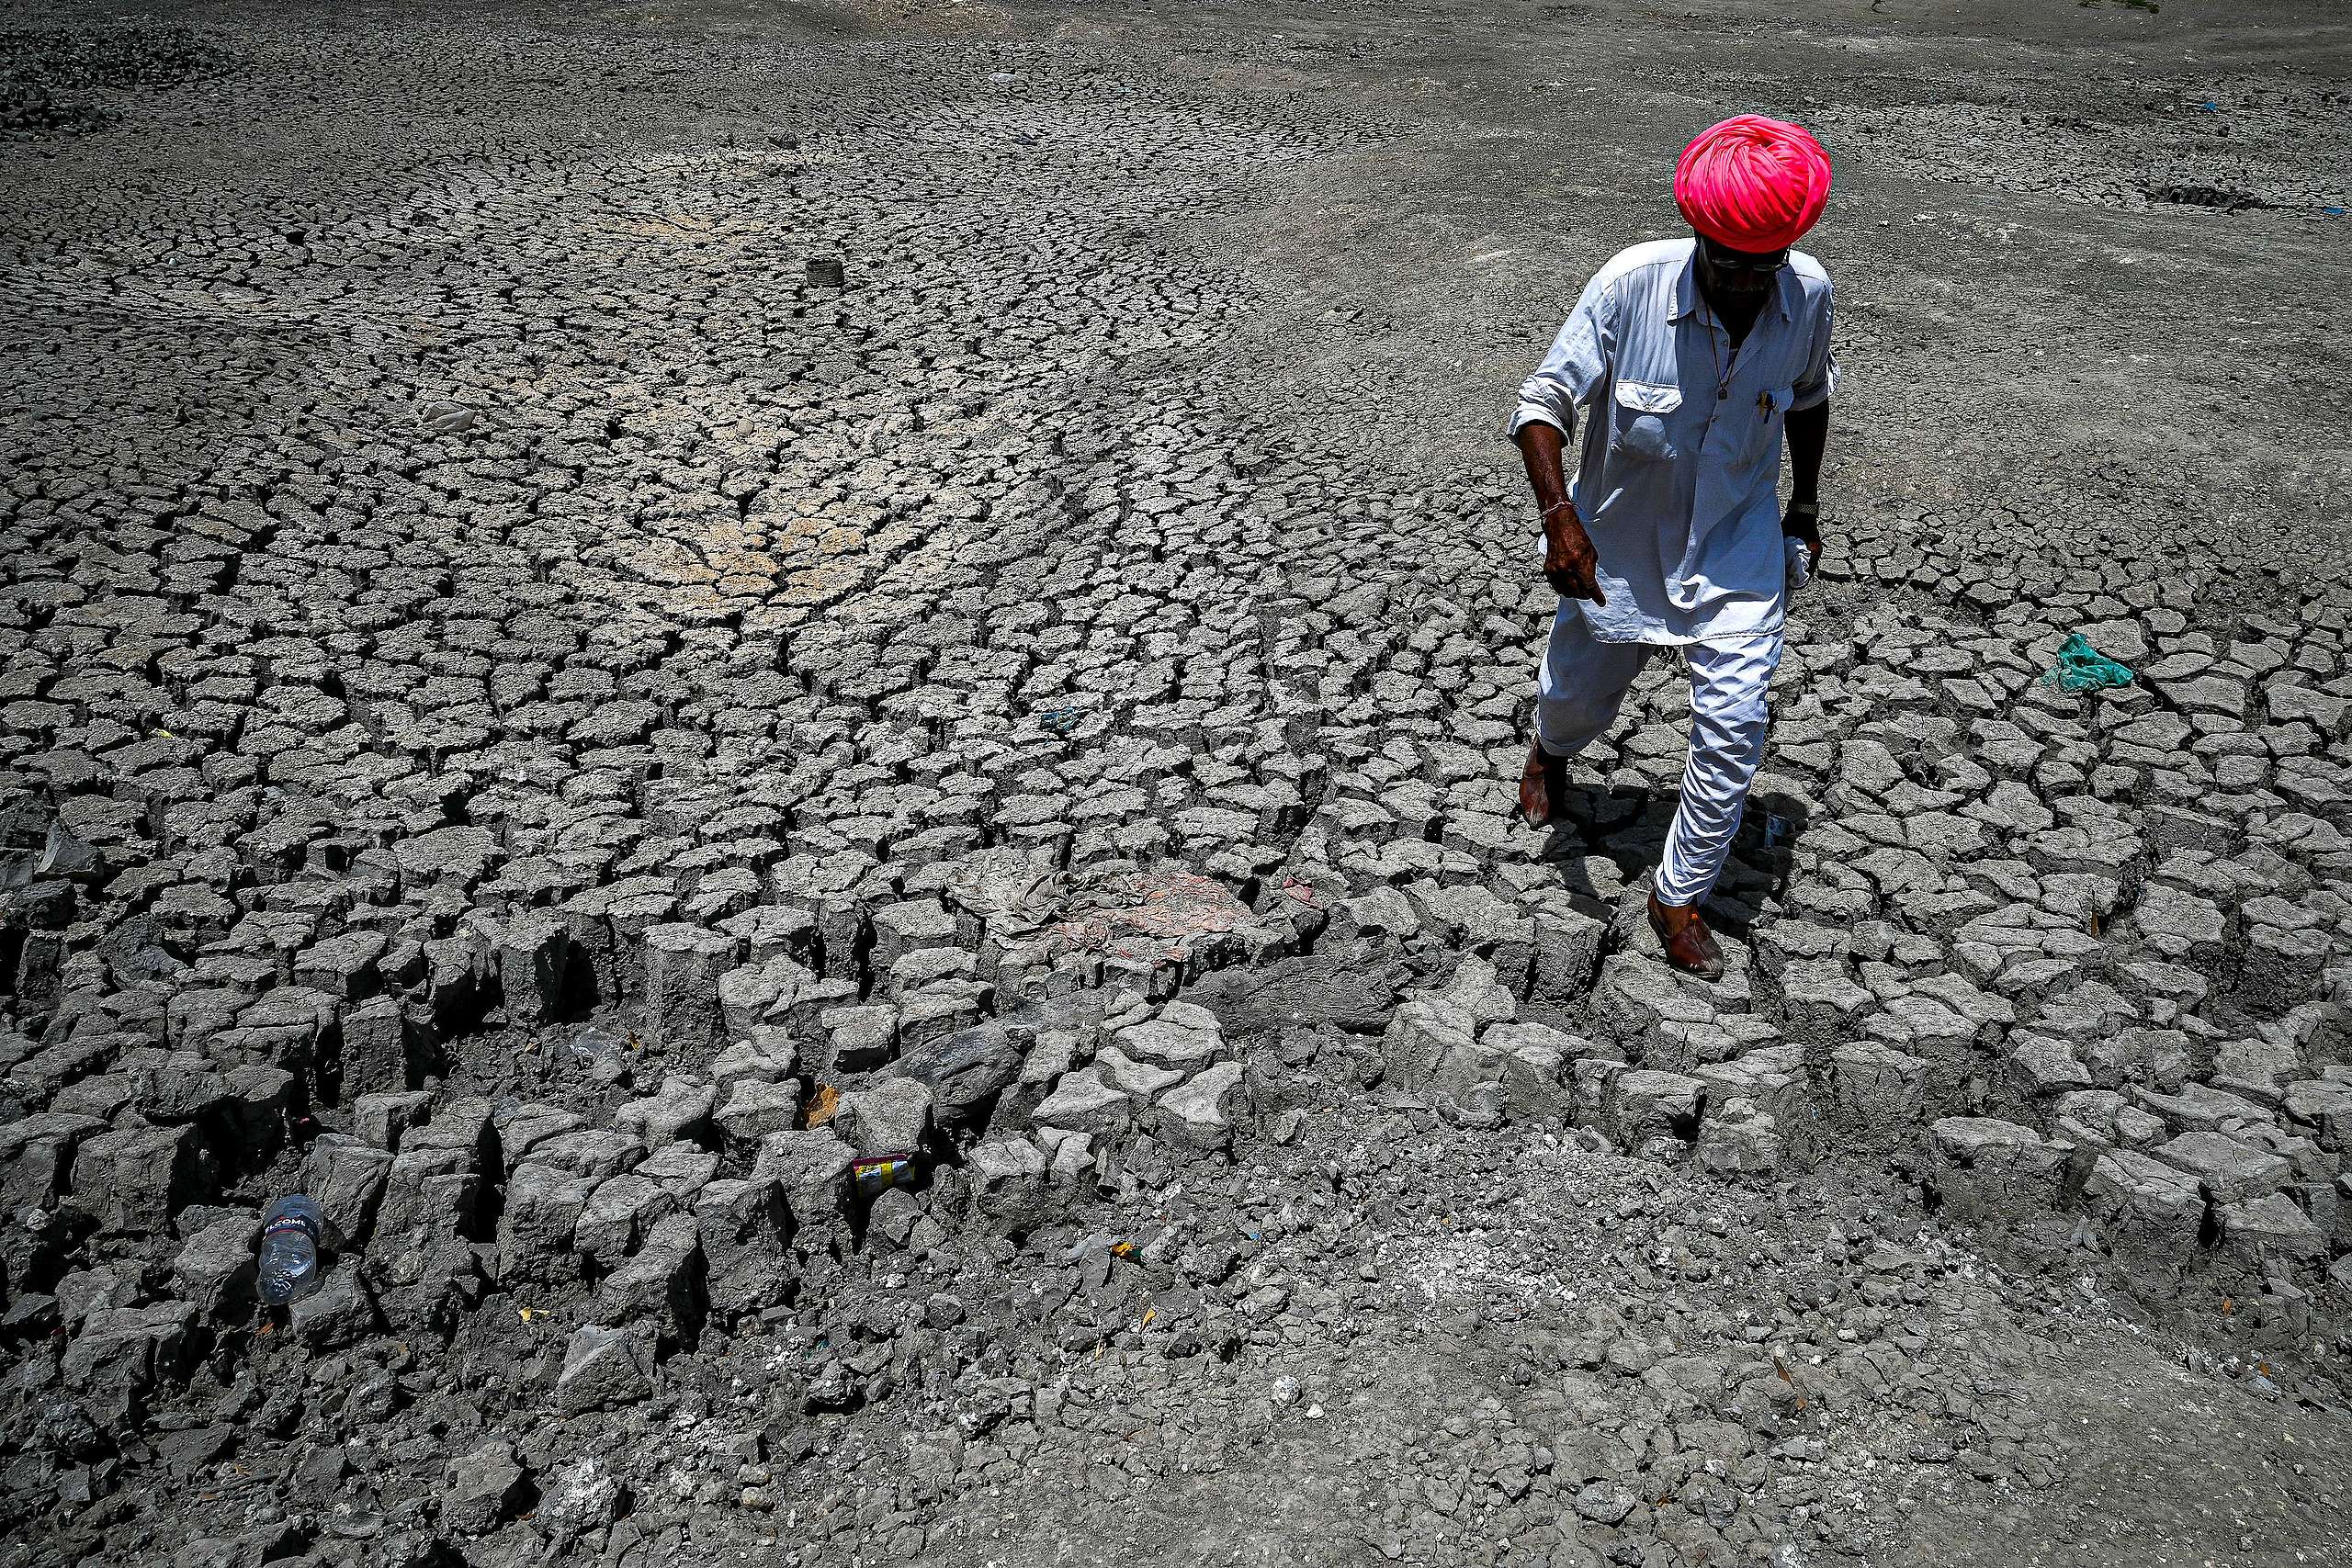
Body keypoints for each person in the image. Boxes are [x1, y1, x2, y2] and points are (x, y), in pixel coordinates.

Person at [1509, 114, 1836, 980]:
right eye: (1728, 263)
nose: (1744, 284)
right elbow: (1543, 404)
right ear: (1697, 234)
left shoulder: (1806, 296)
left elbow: (1806, 400)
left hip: (1736, 547)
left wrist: (1802, 507)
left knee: (1733, 726)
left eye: (1762, 267)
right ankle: (1549, 749)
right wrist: (1561, 518)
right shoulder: (1628, 286)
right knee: (1579, 699)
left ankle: (1677, 893)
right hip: (1617, 544)